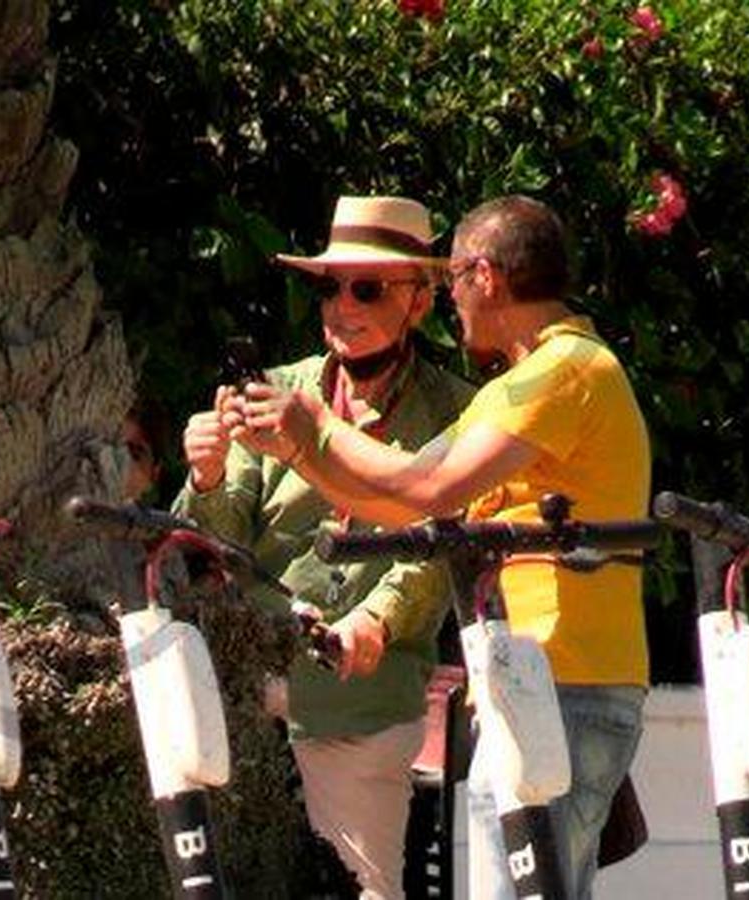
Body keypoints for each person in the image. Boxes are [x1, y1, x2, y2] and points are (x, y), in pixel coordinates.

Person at [231, 195, 651, 899]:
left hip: (565, 683)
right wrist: (303, 446)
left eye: (452, 279)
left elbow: (424, 486)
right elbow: (403, 502)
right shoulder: (529, 379)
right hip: (539, 685)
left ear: (483, 276)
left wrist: (314, 430)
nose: (451, 303)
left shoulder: (562, 372)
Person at [172, 196, 475, 899]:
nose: (342, 304)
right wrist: (206, 473)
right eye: (328, 285)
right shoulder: (274, 390)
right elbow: (209, 548)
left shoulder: (459, 411)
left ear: (422, 301)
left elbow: (441, 547)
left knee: (362, 892)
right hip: (246, 688)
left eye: (366, 287)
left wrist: (376, 620)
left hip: (359, 702)